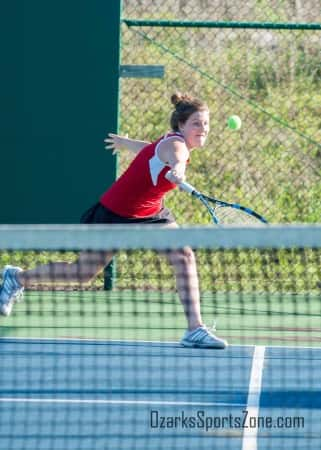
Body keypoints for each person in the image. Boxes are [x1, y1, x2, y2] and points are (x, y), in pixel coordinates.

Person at [0, 92, 227, 349]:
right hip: (115, 213)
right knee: (83, 273)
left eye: (206, 123)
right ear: (181, 125)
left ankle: (194, 329)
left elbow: (151, 150)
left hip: (150, 214)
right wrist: (178, 170)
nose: (203, 129)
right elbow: (175, 158)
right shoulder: (178, 147)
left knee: (184, 255)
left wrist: (127, 144)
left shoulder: (169, 142)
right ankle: (16, 278)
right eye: (196, 123)